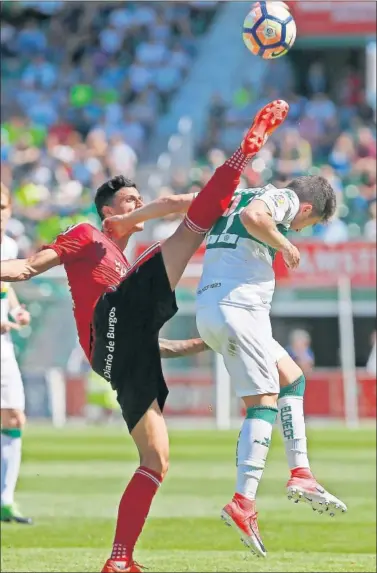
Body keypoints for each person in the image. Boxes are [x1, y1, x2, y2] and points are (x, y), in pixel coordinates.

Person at [0, 99, 289, 573]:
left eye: (139, 200)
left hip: (124, 353)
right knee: (191, 229)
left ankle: (119, 559)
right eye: (128, 202)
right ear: (106, 211)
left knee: (156, 460)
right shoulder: (88, 237)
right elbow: (30, 266)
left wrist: (196, 345)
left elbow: (143, 339)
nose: (137, 206)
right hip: (110, 331)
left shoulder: (128, 272)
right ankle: (244, 150)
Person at [106, 174, 348, 560]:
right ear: (306, 209)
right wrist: (284, 243)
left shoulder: (235, 194)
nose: (302, 229)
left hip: (213, 308)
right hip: (239, 310)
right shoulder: (282, 200)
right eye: (309, 224)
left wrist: (125, 222)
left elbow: (175, 200)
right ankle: (243, 501)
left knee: (292, 377)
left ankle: (301, 472)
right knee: (263, 403)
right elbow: (255, 217)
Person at [0, 183, 32, 524]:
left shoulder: (9, 245)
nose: (0, 214)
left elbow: (5, 289)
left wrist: (16, 309)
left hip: (3, 346)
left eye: (3, 207)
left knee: (13, 417)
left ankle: (5, 501)